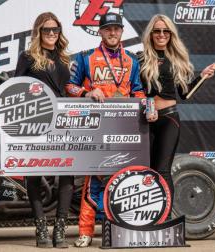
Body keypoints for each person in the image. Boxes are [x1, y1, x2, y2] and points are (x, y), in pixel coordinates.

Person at [65, 12, 154, 247]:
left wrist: (146, 104)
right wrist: (86, 92)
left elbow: (138, 91)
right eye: (108, 29)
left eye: (116, 28)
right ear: (100, 32)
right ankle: (85, 232)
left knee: (122, 179)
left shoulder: (132, 60)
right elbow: (70, 87)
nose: (112, 32)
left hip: (125, 128)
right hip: (95, 127)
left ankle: (116, 228)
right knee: (93, 180)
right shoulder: (86, 58)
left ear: (122, 31)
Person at [137, 14, 215, 216]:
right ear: (151, 34)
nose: (161, 34)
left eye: (166, 31)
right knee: (144, 170)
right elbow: (135, 90)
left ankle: (164, 219)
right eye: (157, 30)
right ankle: (146, 216)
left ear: (171, 34)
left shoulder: (177, 60)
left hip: (168, 120)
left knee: (162, 170)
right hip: (144, 120)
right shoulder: (140, 57)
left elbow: (185, 94)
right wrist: (147, 105)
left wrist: (203, 76)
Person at [14, 12, 73, 248]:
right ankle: (41, 230)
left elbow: (69, 88)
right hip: (36, 121)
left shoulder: (65, 58)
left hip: (63, 121)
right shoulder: (27, 56)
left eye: (55, 29)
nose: (51, 34)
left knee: (69, 171)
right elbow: (15, 86)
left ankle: (60, 230)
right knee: (34, 173)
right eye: (46, 30)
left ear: (60, 32)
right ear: (38, 32)